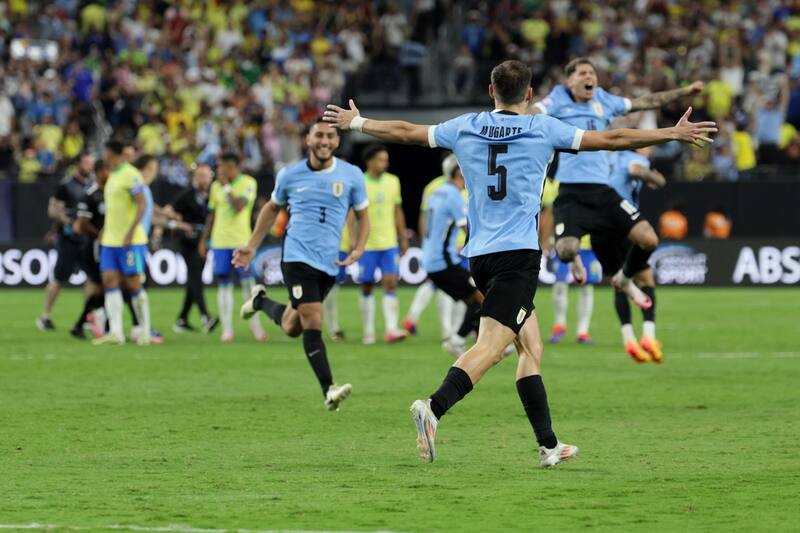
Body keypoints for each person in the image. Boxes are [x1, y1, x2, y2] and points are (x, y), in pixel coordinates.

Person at [323, 59, 716, 466]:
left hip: (480, 254)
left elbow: (404, 132)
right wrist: (671, 132)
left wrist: (357, 122)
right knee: (491, 348)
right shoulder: (543, 128)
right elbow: (614, 138)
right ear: (529, 95)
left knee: (531, 346)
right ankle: (433, 408)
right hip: (517, 255)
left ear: (491, 91)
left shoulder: (466, 125)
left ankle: (548, 445)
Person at [530, 57, 704, 308]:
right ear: (569, 81)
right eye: (582, 73)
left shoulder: (604, 100)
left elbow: (646, 101)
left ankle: (624, 278)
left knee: (649, 239)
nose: (589, 77)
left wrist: (684, 91)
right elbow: (534, 112)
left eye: (592, 73)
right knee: (566, 251)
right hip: (571, 192)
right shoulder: (557, 99)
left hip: (603, 191)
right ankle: (576, 260)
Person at [234, 120, 370, 411]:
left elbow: (362, 214)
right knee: (313, 319)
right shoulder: (290, 175)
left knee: (293, 326)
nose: (324, 140)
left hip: (329, 262)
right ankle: (328, 389)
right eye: (318, 134)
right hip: (296, 257)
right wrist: (251, 245)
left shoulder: (352, 175)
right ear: (307, 139)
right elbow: (271, 209)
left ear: (337, 141)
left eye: (330, 136)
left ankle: (260, 301)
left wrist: (359, 247)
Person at [592, 148, 667, 363]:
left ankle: (629, 339)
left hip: (598, 224)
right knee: (645, 279)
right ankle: (649, 337)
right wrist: (656, 178)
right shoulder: (634, 158)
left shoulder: (606, 157)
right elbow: (635, 170)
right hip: (623, 223)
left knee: (619, 282)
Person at [419, 155, 484, 358]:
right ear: (459, 172)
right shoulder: (453, 195)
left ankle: (485, 340)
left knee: (472, 300)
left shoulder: (438, 192)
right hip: (442, 261)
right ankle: (457, 340)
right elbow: (467, 229)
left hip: (432, 259)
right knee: (480, 298)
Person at [201, 152, 267, 342]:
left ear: (231, 167)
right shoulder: (215, 187)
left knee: (248, 285)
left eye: (221, 166)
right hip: (220, 242)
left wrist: (227, 188)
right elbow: (212, 215)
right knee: (223, 284)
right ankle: (227, 330)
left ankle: (256, 327)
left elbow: (239, 206)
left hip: (241, 242)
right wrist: (204, 239)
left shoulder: (248, 183)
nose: (218, 170)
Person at [93, 141, 152, 345]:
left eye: (107, 153)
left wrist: (131, 231)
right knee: (109, 280)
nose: (105, 158)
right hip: (110, 241)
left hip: (130, 241)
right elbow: (114, 209)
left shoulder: (130, 174)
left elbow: (142, 203)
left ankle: (145, 331)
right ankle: (116, 333)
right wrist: (104, 230)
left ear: (114, 154)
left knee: (134, 283)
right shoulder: (112, 176)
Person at [403, 154, 467, 342]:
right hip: (455, 246)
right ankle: (453, 331)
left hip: (441, 245)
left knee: (436, 284)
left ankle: (416, 319)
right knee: (457, 288)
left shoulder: (434, 187)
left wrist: (426, 242)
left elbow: (425, 216)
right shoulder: (455, 190)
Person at [357, 144, 409, 344]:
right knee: (367, 285)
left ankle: (391, 329)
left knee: (390, 282)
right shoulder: (360, 182)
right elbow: (353, 213)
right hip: (367, 243)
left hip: (388, 242)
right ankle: (369, 331)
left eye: (386, 160)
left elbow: (398, 210)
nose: (384, 163)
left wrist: (402, 236)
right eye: (381, 159)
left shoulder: (393, 181)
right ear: (369, 161)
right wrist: (355, 240)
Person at [37, 151, 94, 331]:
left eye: (91, 163)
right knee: (60, 278)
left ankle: (87, 317)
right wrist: (69, 221)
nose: (89, 166)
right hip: (69, 238)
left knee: (93, 279)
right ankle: (45, 315)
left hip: (87, 239)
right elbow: (52, 210)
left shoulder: (93, 187)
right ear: (78, 164)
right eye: (86, 162)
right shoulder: (66, 186)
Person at [541, 177, 601, 345]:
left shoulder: (593, 183)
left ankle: (583, 331)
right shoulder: (557, 184)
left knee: (586, 286)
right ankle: (559, 325)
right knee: (560, 284)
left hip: (588, 244)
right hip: (563, 242)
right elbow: (549, 213)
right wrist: (546, 239)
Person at [166, 163, 219, 333]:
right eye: (200, 175)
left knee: (194, 279)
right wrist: (180, 224)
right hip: (187, 242)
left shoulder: (213, 195)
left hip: (204, 241)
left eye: (206, 175)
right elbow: (168, 211)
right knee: (195, 275)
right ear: (195, 177)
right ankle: (205, 316)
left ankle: (182, 319)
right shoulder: (186, 195)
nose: (204, 179)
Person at [71, 158, 109, 339]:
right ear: (101, 172)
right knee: (103, 285)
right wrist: (99, 236)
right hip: (94, 247)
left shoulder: (111, 192)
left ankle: (83, 323)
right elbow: (82, 224)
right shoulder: (91, 194)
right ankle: (85, 323)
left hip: (107, 246)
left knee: (107, 286)